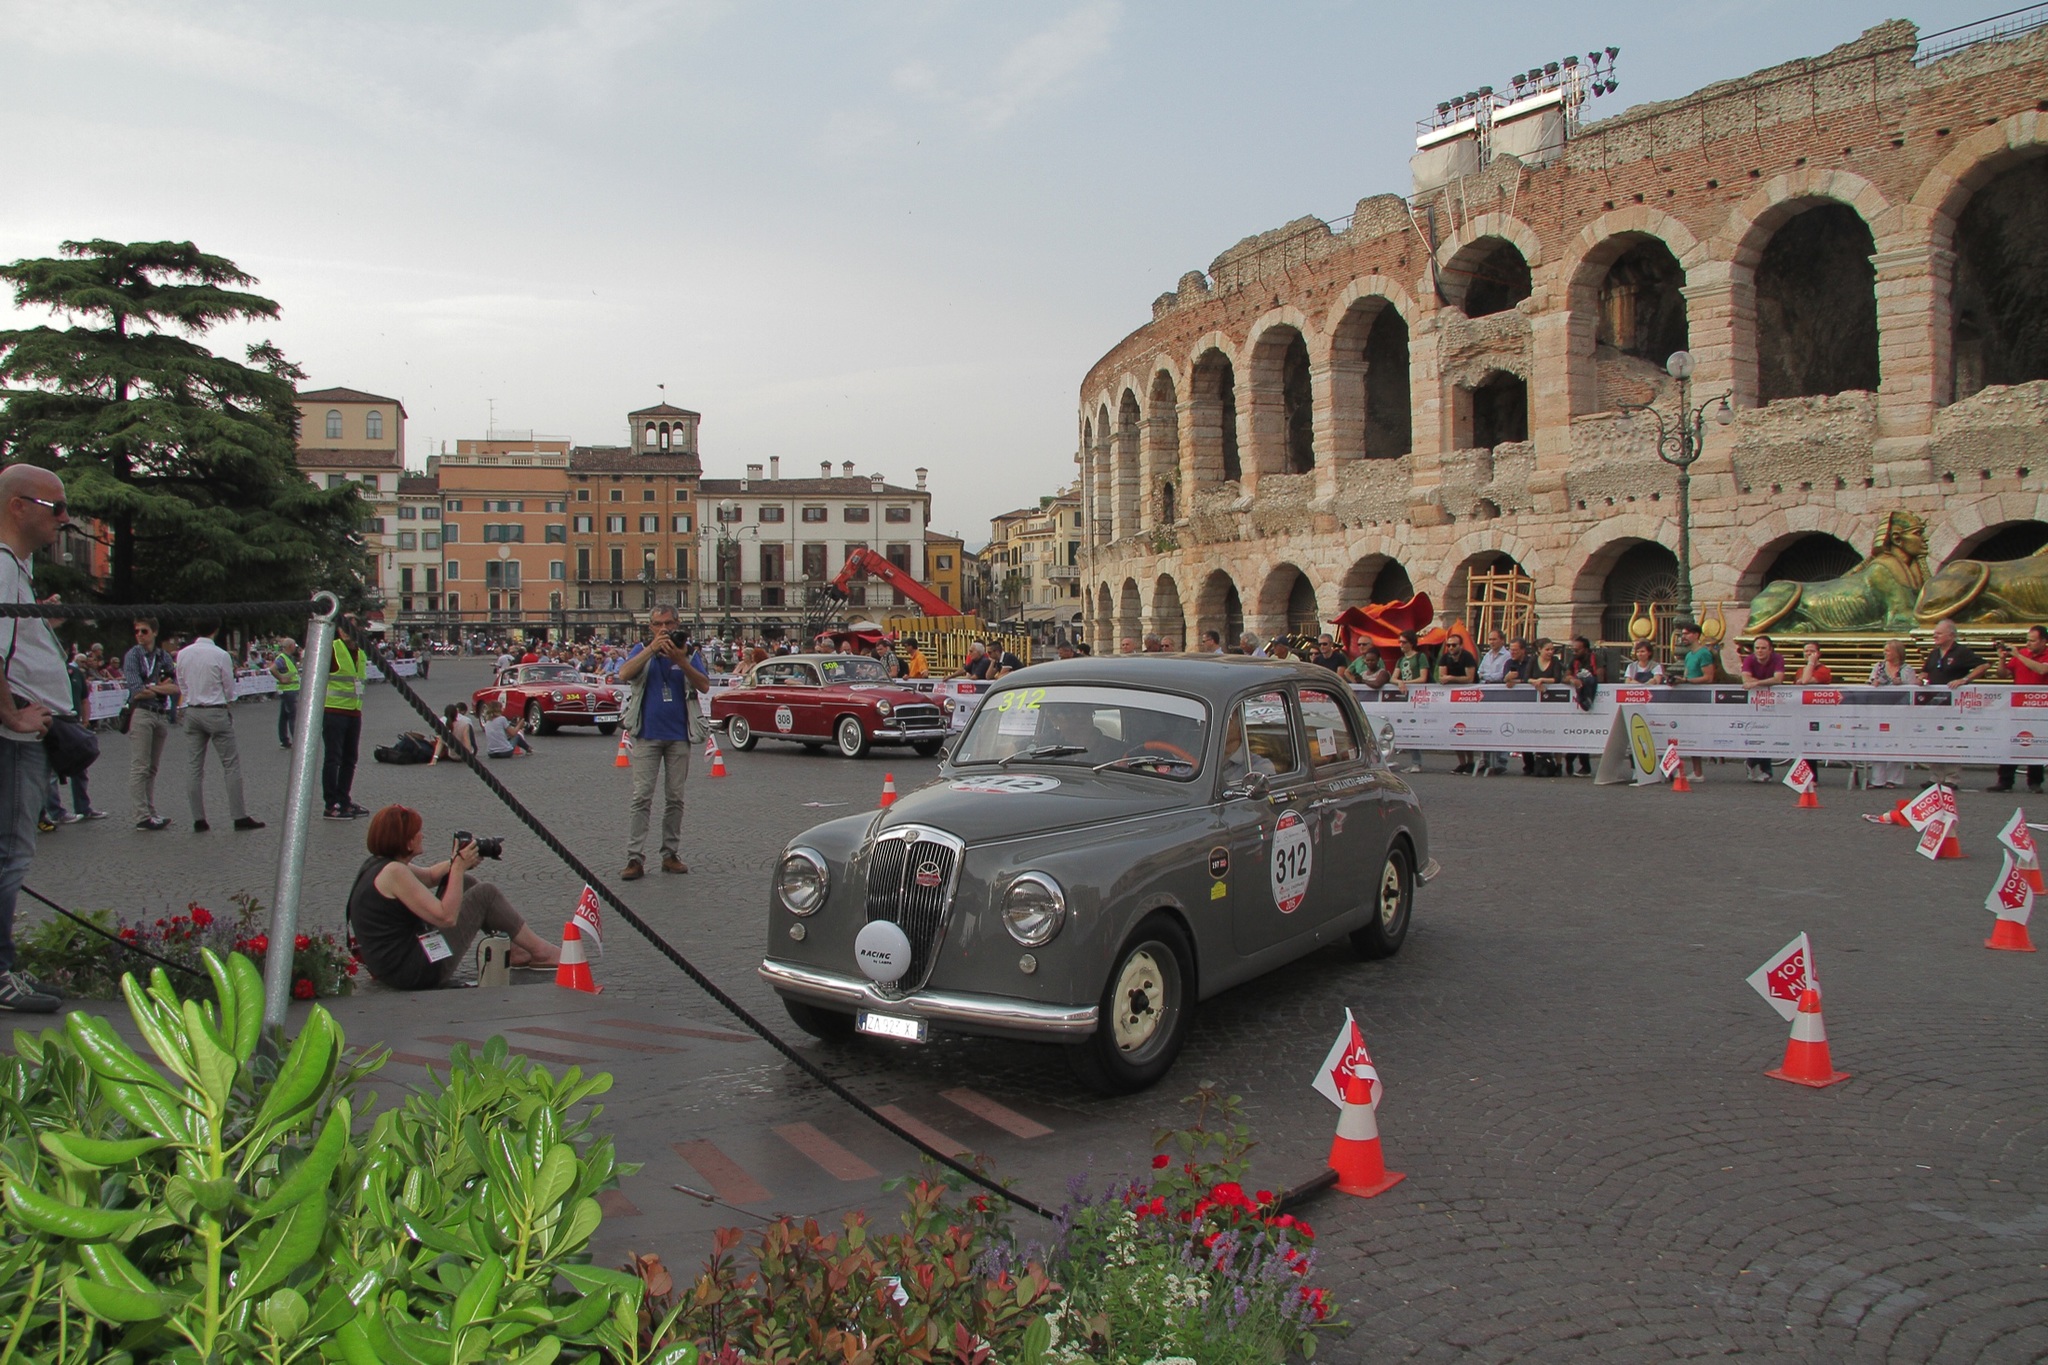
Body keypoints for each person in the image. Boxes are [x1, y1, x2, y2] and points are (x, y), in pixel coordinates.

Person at [0, 465, 75, 1012]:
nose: (65, 520)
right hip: (11, 740)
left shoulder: (15, 568)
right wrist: (12, 717)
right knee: (9, 856)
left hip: (19, 738)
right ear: (17, 506)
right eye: (56, 508)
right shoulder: (2, 567)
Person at [347, 806, 558, 989]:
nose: (423, 835)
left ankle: (516, 951)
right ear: (408, 843)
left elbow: (430, 876)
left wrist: (459, 860)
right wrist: (457, 867)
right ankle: (541, 952)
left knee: (466, 883)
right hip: (415, 970)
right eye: (418, 832)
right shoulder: (395, 873)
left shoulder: (378, 864)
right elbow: (446, 917)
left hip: (395, 965)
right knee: (485, 894)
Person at [617, 606, 708, 881]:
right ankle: (634, 858)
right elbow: (624, 674)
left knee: (675, 799)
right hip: (647, 734)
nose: (664, 629)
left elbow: (704, 684)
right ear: (651, 627)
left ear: (678, 623)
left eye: (669, 623)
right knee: (641, 797)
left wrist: (681, 661)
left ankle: (670, 854)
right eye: (658, 624)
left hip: (679, 735)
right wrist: (651, 650)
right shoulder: (641, 650)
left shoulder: (689, 652)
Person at [175, 620, 264, 834]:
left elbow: (181, 682)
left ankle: (199, 818)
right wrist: (228, 699)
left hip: (193, 709)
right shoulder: (220, 655)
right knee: (230, 764)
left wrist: (189, 697)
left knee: (194, 766)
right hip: (215, 709)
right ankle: (238, 815)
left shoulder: (183, 654)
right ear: (215, 630)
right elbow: (228, 684)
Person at [123, 618, 180, 829]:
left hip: (159, 713)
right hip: (142, 712)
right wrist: (158, 687)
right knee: (140, 766)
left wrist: (152, 687)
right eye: (136, 631)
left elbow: (174, 688)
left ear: (154, 632)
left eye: (144, 631)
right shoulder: (133, 656)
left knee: (152, 768)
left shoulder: (163, 656)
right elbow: (137, 690)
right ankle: (141, 815)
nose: (139, 635)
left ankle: (150, 809)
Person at [1922, 617, 1987, 789]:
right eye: (1934, 633)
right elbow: (1925, 672)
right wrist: (1918, 680)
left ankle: (1952, 777)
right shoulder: (1934, 653)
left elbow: (1984, 665)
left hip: (1954, 704)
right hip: (1934, 703)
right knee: (1934, 738)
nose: (1935, 636)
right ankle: (1936, 775)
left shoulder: (1961, 652)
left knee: (1952, 738)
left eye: (1939, 633)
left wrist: (1965, 679)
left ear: (1951, 635)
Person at [322, 619, 369, 820]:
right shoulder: (332, 649)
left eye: (352, 626)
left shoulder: (361, 653)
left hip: (354, 712)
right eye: (344, 627)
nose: (348, 631)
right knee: (333, 759)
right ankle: (331, 804)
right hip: (333, 712)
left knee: (350, 759)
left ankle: (344, 799)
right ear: (339, 630)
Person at [1991, 625, 2048, 792]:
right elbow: (2002, 674)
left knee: (2035, 742)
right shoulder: (2022, 654)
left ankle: (2035, 781)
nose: (2028, 644)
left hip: (2039, 706)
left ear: (2044, 641)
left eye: (2033, 640)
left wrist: (2017, 655)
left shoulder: (2041, 655)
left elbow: (2041, 669)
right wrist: (2002, 658)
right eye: (2027, 640)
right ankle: (2005, 780)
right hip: (2017, 705)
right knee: (2011, 742)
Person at [1868, 640, 1918, 789]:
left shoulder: (1907, 669)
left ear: (1897, 653)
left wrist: (1902, 684)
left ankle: (1893, 779)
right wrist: (1874, 683)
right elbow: (1871, 681)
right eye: (1885, 650)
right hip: (1880, 709)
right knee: (1878, 743)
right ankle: (1877, 779)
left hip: (1899, 711)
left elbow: (1914, 687)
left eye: (1888, 650)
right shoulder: (1879, 667)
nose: (1885, 653)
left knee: (1896, 742)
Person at [1741, 634, 1787, 781]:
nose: (1759, 651)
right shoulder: (1749, 660)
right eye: (1757, 648)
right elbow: (1745, 679)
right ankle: (1761, 767)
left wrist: (1756, 683)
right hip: (1754, 703)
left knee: (1770, 733)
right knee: (1757, 733)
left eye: (1763, 648)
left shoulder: (1778, 658)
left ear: (1770, 650)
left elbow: (1778, 679)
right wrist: (1765, 682)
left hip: (1773, 701)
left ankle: (1755, 763)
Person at [270, 638, 301, 747]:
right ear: (290, 646)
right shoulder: (282, 658)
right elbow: (273, 668)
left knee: (284, 716)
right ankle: (296, 741)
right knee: (293, 716)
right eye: (294, 646)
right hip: (289, 690)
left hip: (288, 689)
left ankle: (284, 740)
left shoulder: (289, 658)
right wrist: (282, 678)